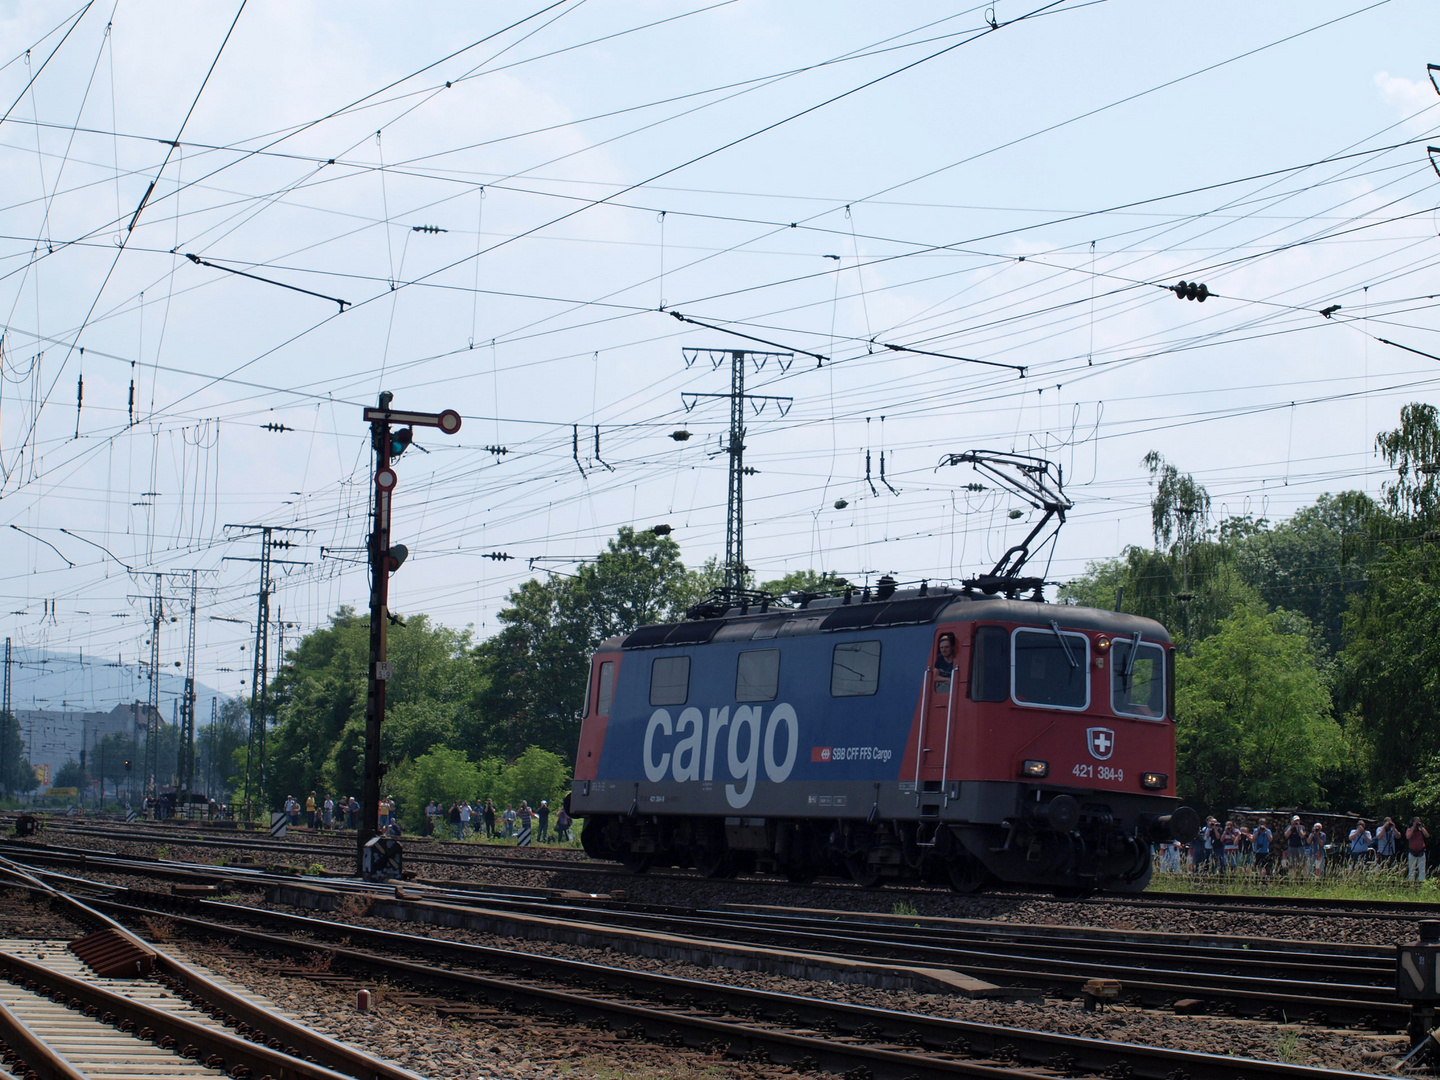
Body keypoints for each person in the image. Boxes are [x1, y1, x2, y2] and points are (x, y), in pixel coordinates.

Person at [1409, 817, 1430, 883]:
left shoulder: (1422, 829)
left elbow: (1427, 836)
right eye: (1416, 821)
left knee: (1422, 870)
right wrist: (1413, 827)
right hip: (1412, 852)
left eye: (1419, 821)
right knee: (1412, 869)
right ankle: (1411, 883)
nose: (1418, 823)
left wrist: (1422, 829)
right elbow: (1408, 836)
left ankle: (1422, 883)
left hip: (1421, 852)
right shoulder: (1409, 829)